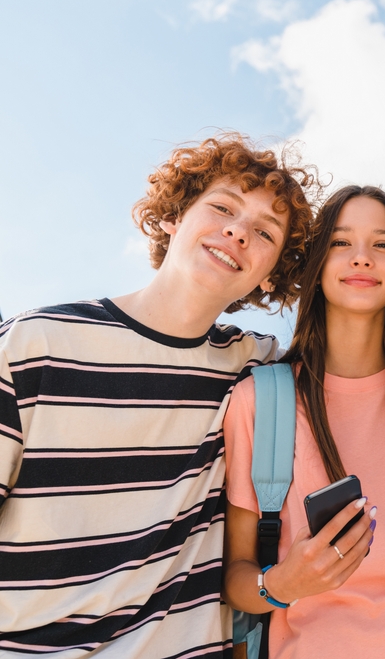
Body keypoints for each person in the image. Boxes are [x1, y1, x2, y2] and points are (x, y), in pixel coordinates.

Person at [0, 134, 314, 656]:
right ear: (174, 217)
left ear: (270, 274)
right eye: (222, 207)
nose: (237, 232)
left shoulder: (253, 369)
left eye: (264, 232)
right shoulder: (36, 344)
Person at [222, 185, 385, 659]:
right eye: (340, 243)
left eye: (382, 244)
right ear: (315, 267)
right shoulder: (262, 400)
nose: (361, 258)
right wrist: (281, 584)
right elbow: (236, 577)